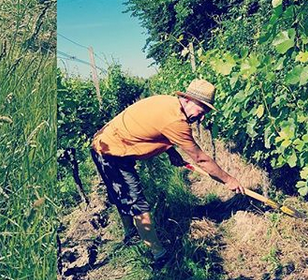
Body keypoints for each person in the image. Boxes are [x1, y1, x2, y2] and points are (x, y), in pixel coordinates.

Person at [90, 79, 245, 264]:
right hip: (109, 152)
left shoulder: (168, 103)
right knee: (136, 203)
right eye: (201, 110)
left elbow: (155, 128)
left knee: (121, 195)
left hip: (110, 144)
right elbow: (201, 159)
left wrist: (170, 151)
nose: (202, 117)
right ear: (187, 99)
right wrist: (229, 180)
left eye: (205, 112)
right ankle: (159, 255)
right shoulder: (176, 121)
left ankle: (131, 233)